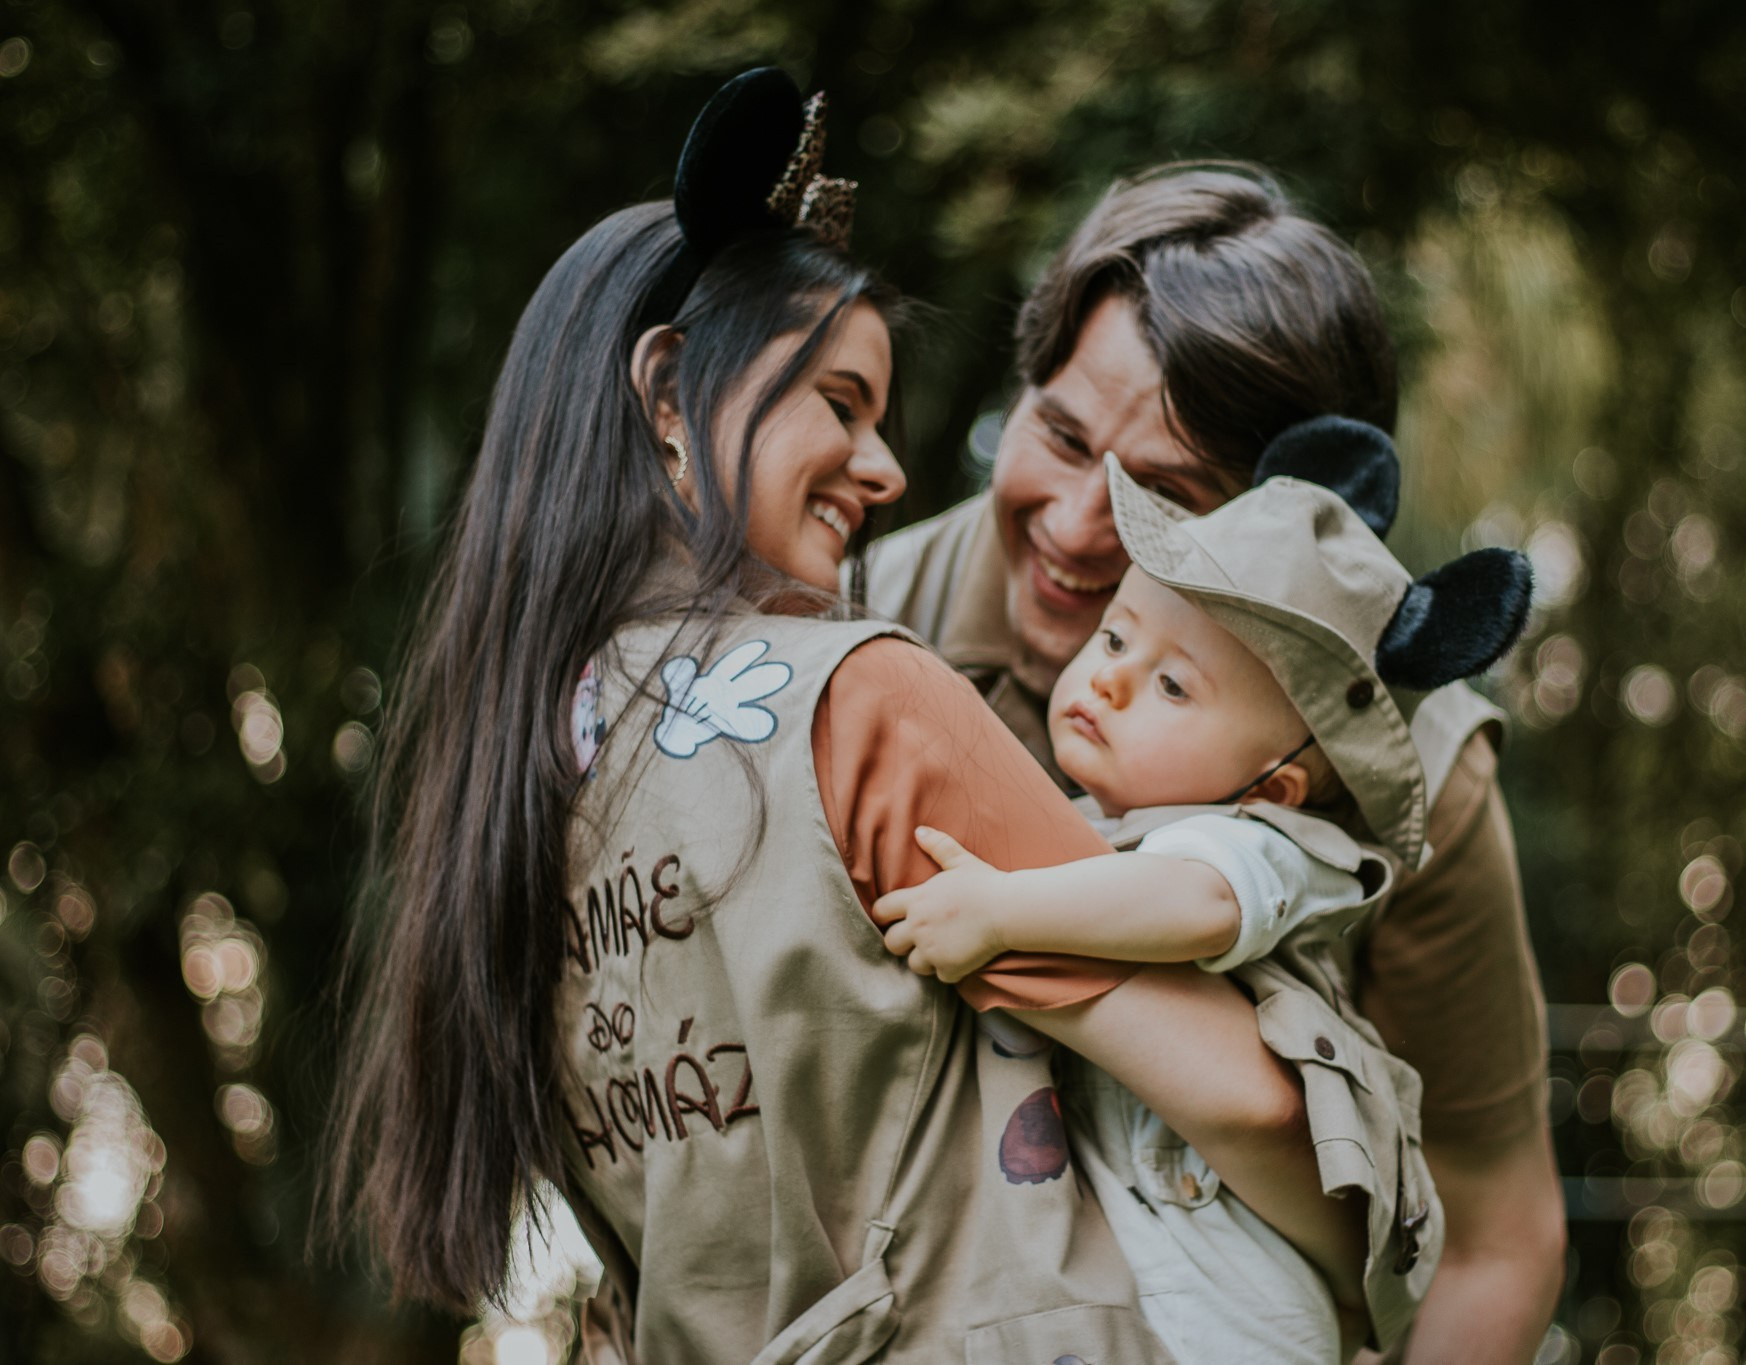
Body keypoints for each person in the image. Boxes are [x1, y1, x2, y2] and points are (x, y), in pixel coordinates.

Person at [322, 71, 1354, 1363]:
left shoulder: (516, 779)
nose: (889, 469)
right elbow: (1248, 1102)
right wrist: (1365, 1270)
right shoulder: (857, 701)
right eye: (840, 404)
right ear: (666, 395)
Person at [865, 165, 1568, 1362]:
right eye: (1061, 435)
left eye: (1169, 497)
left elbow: (1500, 1236)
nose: (1080, 525)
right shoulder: (867, 626)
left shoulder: (1419, 773)